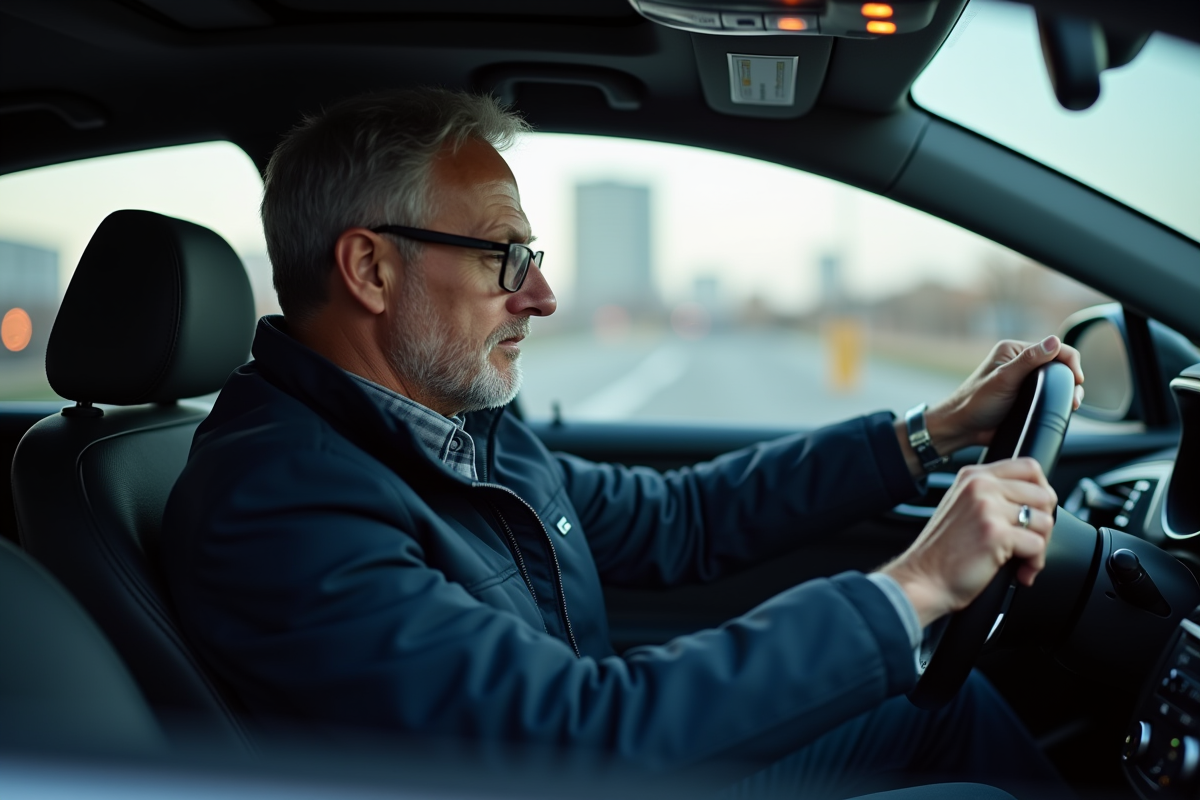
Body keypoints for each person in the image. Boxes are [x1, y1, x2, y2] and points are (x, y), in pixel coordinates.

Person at [161, 88, 1084, 799]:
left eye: (536, 259)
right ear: (370, 267)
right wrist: (914, 587)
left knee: (939, 704)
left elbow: (677, 519)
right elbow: (567, 741)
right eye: (504, 258)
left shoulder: (458, 430)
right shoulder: (279, 502)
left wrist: (931, 433)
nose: (540, 297)